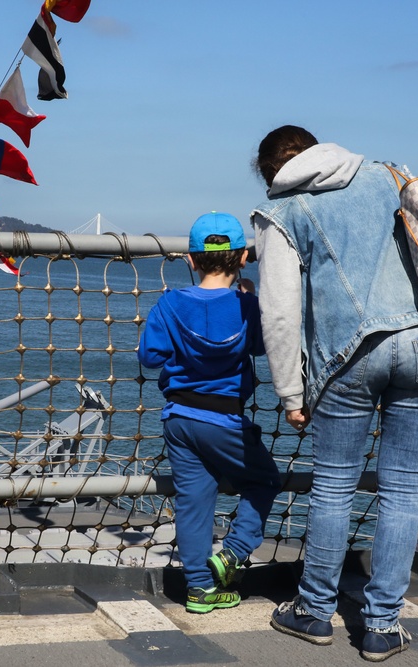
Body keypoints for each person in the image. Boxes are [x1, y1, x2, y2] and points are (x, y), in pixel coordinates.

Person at [252, 126, 418, 662]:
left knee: (335, 486)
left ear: (270, 171)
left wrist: (291, 392)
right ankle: (383, 626)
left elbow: (278, 311)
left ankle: (314, 612)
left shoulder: (282, 211)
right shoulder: (391, 175)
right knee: (404, 489)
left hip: (350, 356)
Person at [138, 212, 281, 614]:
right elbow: (260, 347)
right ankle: (233, 552)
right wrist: (250, 299)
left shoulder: (170, 303)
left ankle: (199, 589)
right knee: (265, 479)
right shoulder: (247, 306)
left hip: (180, 420)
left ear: (191, 260)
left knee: (193, 501)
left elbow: (150, 356)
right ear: (242, 259)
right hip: (225, 420)